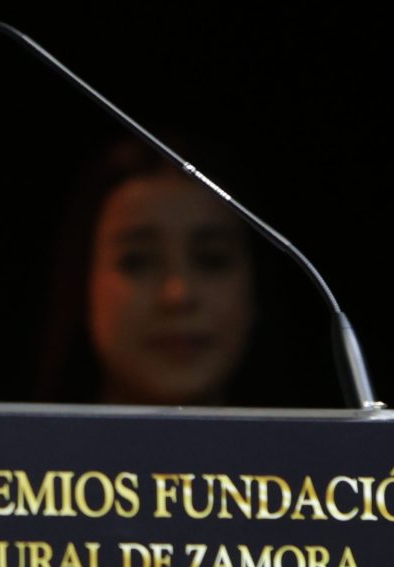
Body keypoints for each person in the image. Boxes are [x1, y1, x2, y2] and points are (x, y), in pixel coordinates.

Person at [35, 136, 258, 406]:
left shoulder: (312, 448)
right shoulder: (10, 447)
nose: (178, 295)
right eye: (137, 261)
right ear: (83, 281)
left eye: (211, 259)